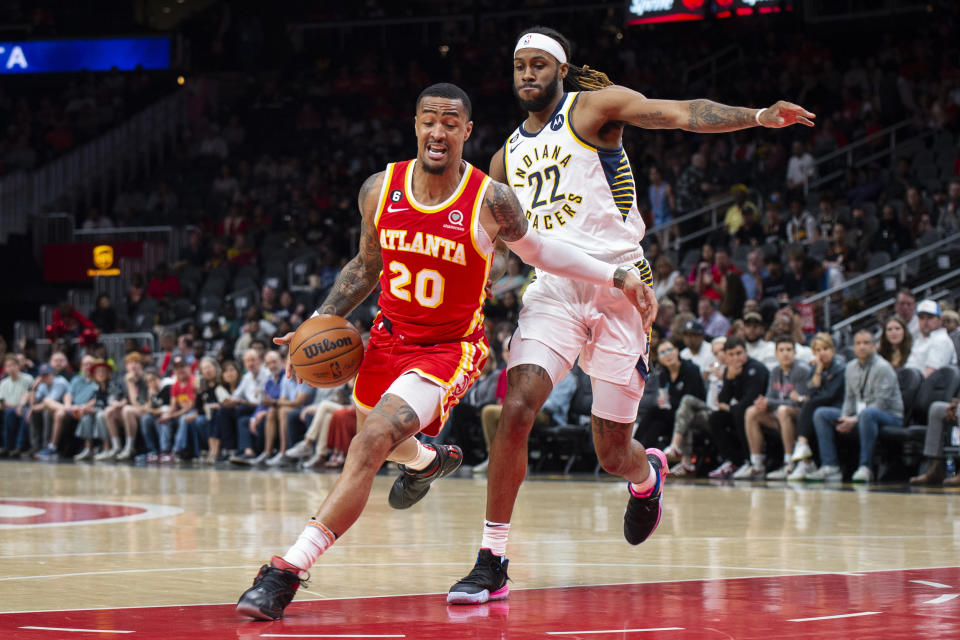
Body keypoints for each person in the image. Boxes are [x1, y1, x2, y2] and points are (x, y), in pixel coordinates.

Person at [236, 82, 656, 621]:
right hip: (388, 339)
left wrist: (615, 273)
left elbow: (542, 251)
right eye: (429, 120)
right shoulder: (378, 189)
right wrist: (318, 319)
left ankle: (285, 572)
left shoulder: (491, 199)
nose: (439, 131)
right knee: (387, 447)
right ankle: (429, 461)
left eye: (450, 122)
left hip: (447, 349)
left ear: (467, 131)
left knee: (368, 443)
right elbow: (366, 266)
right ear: (415, 125)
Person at [447, 26, 813, 605]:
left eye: (539, 64)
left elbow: (683, 114)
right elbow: (483, 238)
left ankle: (648, 478)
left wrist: (759, 115)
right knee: (515, 408)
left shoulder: (595, 106)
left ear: (561, 70)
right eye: (519, 65)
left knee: (612, 452)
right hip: (555, 291)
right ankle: (493, 558)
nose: (527, 74)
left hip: (622, 291)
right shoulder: (502, 157)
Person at [810, 330, 902, 483]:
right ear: (853, 347)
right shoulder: (850, 367)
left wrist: (854, 420)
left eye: (866, 343)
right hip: (861, 414)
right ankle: (830, 466)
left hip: (890, 416)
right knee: (821, 413)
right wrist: (845, 417)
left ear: (874, 346)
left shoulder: (883, 367)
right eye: (858, 343)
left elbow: (881, 403)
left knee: (868, 413)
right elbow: (849, 398)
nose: (862, 347)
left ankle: (866, 467)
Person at [740, 337, 811, 479]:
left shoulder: (802, 370)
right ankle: (757, 464)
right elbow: (771, 397)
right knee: (752, 412)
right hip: (780, 416)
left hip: (800, 418)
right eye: (781, 350)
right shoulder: (775, 371)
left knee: (783, 410)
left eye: (789, 350)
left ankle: (789, 463)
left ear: (795, 353)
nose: (785, 354)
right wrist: (763, 403)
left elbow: (798, 402)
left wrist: (771, 402)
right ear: (776, 353)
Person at [787, 332, 846, 481]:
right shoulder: (815, 368)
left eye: (825, 349)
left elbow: (830, 395)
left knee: (813, 409)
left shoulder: (840, 367)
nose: (822, 353)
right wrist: (818, 372)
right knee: (809, 410)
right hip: (821, 408)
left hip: (841, 407)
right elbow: (810, 391)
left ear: (832, 350)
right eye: (818, 350)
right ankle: (806, 461)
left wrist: (809, 398)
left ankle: (802, 445)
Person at [903, 300, 957, 377]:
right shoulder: (920, 339)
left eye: (930, 317)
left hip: (926, 387)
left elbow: (931, 373)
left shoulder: (941, 340)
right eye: (921, 318)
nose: (925, 321)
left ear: (939, 319)